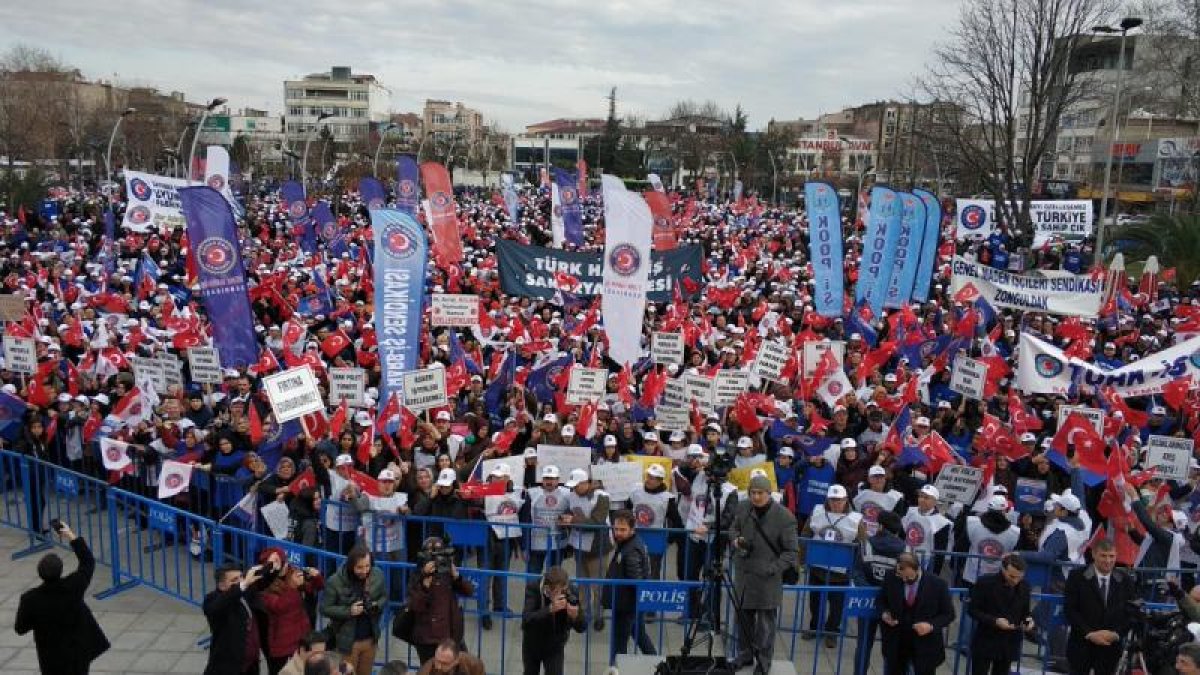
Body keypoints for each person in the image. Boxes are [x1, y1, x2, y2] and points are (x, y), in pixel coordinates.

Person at [14, 521, 110, 675]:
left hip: (51, 657)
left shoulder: (30, 599)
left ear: (40, 574)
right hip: (77, 651)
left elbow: (20, 628)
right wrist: (71, 536)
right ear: (60, 570)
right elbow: (88, 562)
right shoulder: (73, 586)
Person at [727, 474, 799, 674]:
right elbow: (733, 529)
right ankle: (745, 654)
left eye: (760, 493)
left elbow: (792, 552)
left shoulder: (785, 517)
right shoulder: (743, 508)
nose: (756, 497)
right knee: (743, 620)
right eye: (752, 493)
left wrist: (772, 568)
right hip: (744, 576)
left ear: (769, 494)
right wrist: (736, 540)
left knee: (765, 626)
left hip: (767, 580)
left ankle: (764, 662)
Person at [1063, 539, 1138, 675]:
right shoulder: (1077, 577)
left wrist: (1116, 634)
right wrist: (1090, 634)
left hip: (1110, 648)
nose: (1108, 560)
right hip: (1081, 645)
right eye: (1103, 555)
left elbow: (1131, 613)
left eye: (1111, 556)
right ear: (1094, 554)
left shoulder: (1125, 580)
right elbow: (1070, 610)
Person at [879, 552, 956, 675]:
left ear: (918, 569)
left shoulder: (938, 584)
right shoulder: (890, 577)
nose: (904, 580)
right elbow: (881, 601)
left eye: (909, 577)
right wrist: (884, 614)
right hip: (897, 642)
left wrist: (930, 626)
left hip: (925, 645)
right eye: (901, 576)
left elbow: (949, 614)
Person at [851, 510, 906, 675]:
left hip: (867, 601)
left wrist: (869, 591)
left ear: (880, 526)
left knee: (864, 645)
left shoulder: (866, 545)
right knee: (891, 647)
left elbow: (857, 573)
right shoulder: (907, 550)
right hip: (893, 605)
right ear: (897, 530)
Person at [319, 546, 387, 675]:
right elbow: (324, 608)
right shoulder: (335, 581)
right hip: (348, 643)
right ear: (351, 566)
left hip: (370, 639)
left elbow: (384, 597)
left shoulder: (378, 574)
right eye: (359, 567)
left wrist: (376, 605)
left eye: (367, 566)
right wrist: (349, 611)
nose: (364, 571)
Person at [407, 536, 476, 664]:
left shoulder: (447, 572)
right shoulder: (417, 575)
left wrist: (457, 577)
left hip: (450, 636)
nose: (435, 560)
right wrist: (424, 583)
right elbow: (415, 605)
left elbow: (469, 591)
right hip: (427, 639)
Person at [560, 467, 610, 629]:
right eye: (573, 486)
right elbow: (570, 510)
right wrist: (564, 518)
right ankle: (584, 614)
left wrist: (573, 521)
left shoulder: (601, 497)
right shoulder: (572, 494)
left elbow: (598, 522)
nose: (574, 488)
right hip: (579, 546)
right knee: (582, 584)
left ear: (587, 483)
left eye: (577, 485)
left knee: (598, 585)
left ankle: (598, 616)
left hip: (597, 548)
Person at [967, 553, 1033, 675]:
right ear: (1003, 569)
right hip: (986, 640)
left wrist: (1028, 622)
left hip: (1009, 643)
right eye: (1012, 576)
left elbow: (1025, 612)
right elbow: (973, 610)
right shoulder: (985, 583)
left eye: (1019, 577)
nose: (1015, 581)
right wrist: (995, 621)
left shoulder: (1025, 587)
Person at [605, 509, 656, 659]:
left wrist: (633, 608)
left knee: (619, 645)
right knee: (640, 636)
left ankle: (617, 669)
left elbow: (636, 581)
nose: (618, 533)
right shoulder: (627, 543)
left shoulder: (631, 549)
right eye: (616, 529)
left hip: (627, 605)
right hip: (628, 603)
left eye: (623, 530)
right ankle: (660, 666)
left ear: (632, 529)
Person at [520, 566, 586, 675]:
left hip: (555, 645)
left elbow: (582, 627)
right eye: (557, 591)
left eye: (563, 590)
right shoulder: (534, 588)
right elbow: (526, 620)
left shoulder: (571, 591)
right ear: (547, 589)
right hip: (532, 643)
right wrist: (549, 609)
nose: (561, 594)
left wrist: (575, 616)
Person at [203, 562, 266, 675]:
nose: (240, 582)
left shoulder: (243, 592)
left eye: (241, 577)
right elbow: (216, 607)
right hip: (229, 667)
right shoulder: (212, 600)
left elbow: (262, 581)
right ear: (221, 585)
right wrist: (243, 584)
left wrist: (271, 564)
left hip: (251, 665)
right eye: (234, 580)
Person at [416, 639, 486, 675]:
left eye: (444, 663)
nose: (439, 666)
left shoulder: (473, 664)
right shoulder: (426, 672)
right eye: (437, 660)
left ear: (456, 660)